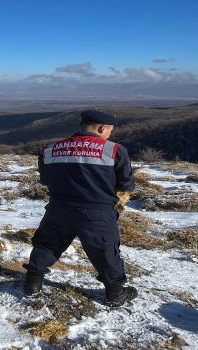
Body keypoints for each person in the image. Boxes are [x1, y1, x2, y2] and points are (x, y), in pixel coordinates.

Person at [22, 109, 137, 307]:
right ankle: (115, 293)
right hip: (97, 211)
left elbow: (45, 180)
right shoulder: (114, 150)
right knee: (105, 250)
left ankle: (32, 283)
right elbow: (126, 185)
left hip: (58, 207)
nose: (110, 134)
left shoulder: (50, 149)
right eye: (109, 130)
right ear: (103, 128)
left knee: (47, 243)